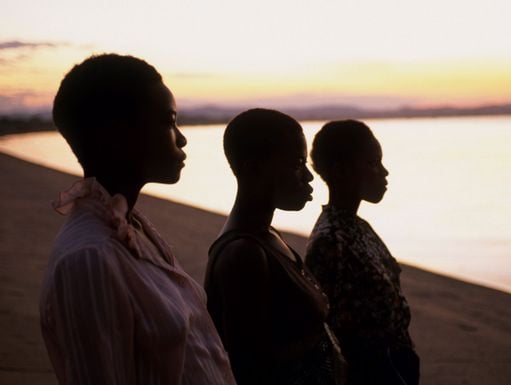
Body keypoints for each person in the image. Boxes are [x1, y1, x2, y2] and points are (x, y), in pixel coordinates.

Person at [38, 54, 236, 385]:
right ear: (116, 135)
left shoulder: (130, 227)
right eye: (168, 121)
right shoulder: (90, 258)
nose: (182, 138)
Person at [204, 108, 345, 385]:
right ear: (254, 169)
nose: (308, 176)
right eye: (296, 164)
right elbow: (248, 369)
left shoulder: (266, 236)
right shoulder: (243, 254)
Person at [305, 120, 420, 385]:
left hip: (395, 364)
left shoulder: (356, 226)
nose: (384, 172)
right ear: (340, 170)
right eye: (372, 163)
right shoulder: (330, 241)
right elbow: (324, 329)